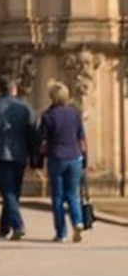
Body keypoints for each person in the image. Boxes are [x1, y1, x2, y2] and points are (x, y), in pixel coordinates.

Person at [0, 76, 37, 240]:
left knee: (8, 191)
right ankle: (4, 228)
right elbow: (32, 134)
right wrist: (34, 159)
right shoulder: (25, 107)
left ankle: (17, 225)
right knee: (13, 191)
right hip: (20, 154)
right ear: (14, 89)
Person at [38, 81, 88, 243]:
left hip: (57, 158)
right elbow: (82, 139)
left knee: (58, 197)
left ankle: (61, 233)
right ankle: (78, 221)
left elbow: (43, 142)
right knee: (73, 194)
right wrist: (84, 160)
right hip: (75, 158)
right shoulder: (74, 114)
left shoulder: (48, 116)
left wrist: (39, 160)